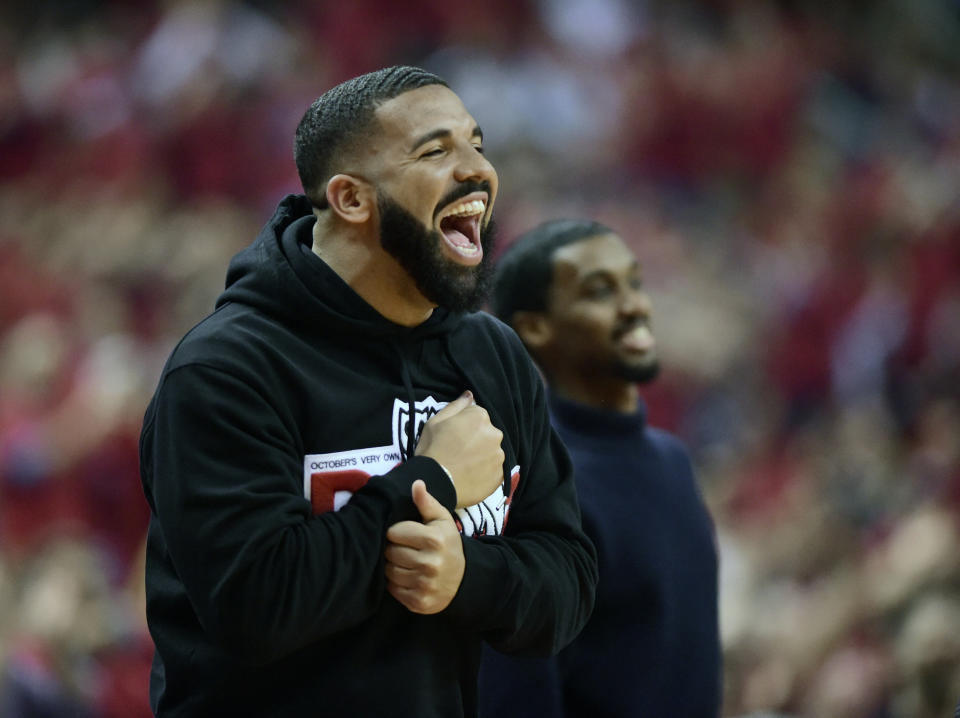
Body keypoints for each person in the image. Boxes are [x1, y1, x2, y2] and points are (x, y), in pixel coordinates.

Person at [138, 66, 597, 717]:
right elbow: (255, 608)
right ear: (352, 199)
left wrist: (468, 578)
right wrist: (431, 480)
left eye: (478, 144)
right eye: (436, 151)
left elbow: (569, 579)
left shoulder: (493, 357)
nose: (477, 170)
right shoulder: (226, 371)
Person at [479, 219, 721, 717]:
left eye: (634, 282)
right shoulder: (531, 486)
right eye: (599, 292)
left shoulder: (673, 460)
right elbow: (515, 696)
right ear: (535, 328)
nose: (635, 305)